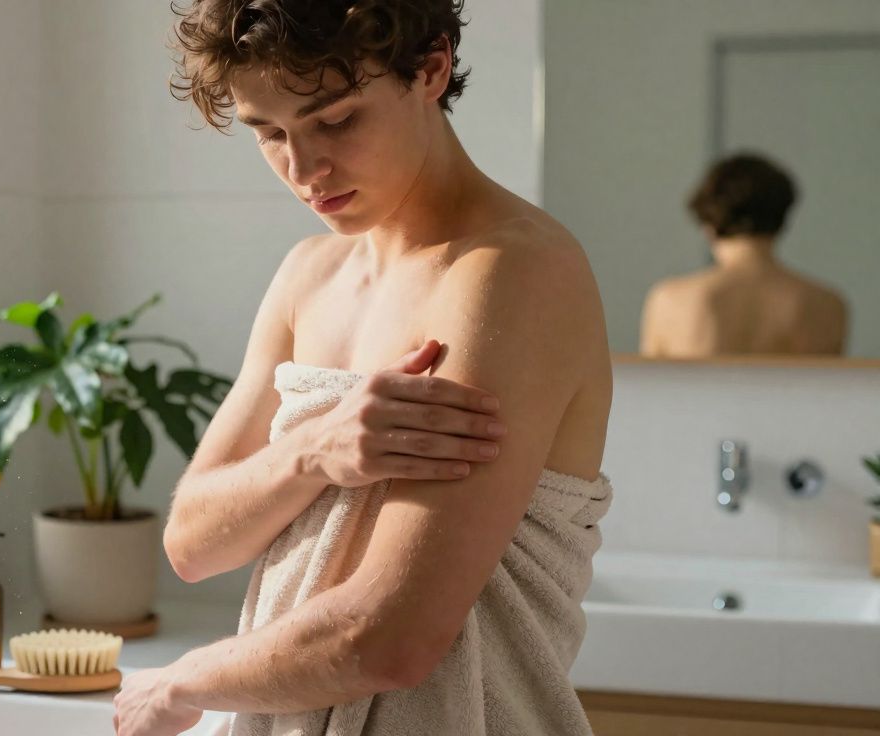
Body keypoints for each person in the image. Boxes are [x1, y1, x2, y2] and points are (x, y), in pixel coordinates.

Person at [113, 1, 613, 734]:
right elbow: (192, 541)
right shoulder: (307, 275)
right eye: (268, 132)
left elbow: (390, 638)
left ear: (431, 69)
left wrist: (185, 681)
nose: (303, 168)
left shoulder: (512, 272)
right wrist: (314, 450)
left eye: (336, 119)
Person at [640, 153, 848, 358]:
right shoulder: (828, 306)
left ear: (708, 223)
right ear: (782, 218)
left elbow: (652, 388)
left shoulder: (670, 300)